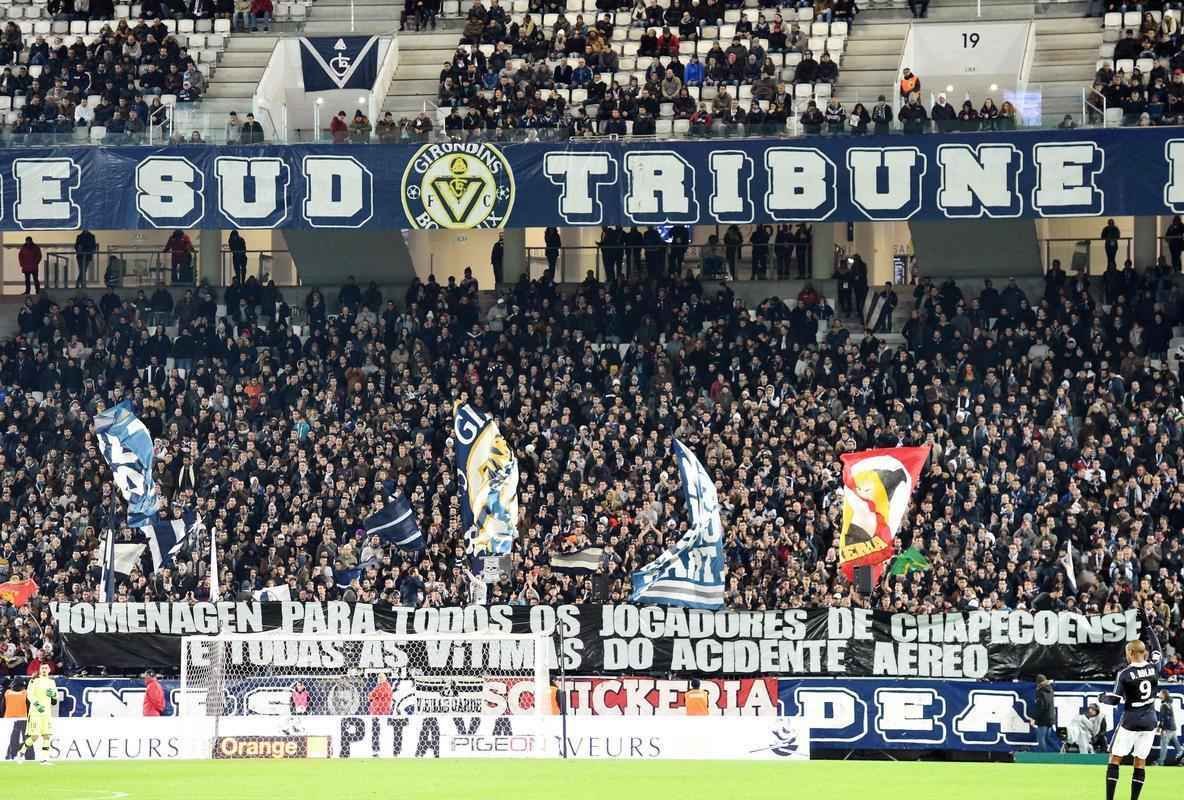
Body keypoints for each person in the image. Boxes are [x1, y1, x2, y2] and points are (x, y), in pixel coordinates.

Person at [1101, 613, 1163, 800]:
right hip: (1150, 721)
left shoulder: (1125, 674)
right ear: (1144, 652)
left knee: (1115, 759)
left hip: (1131, 720)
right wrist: (1148, 627)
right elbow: (1158, 649)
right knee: (1140, 761)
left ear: (1130, 653)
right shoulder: (1154, 667)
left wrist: (1102, 697)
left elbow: (1114, 700)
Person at [17, 663, 56, 764]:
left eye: (46, 668)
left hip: (47, 713)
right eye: (42, 668)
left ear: (49, 670)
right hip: (35, 712)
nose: (44, 670)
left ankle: (44, 759)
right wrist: (38, 706)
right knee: (34, 736)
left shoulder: (52, 682)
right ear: (39, 670)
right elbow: (29, 694)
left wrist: (53, 696)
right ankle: (21, 752)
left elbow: (55, 698)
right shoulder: (34, 680)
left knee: (47, 735)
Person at [1030, 674, 1060, 752]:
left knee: (1040, 738)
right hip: (1050, 717)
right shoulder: (1050, 690)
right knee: (1047, 738)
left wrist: (1034, 718)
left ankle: (1044, 756)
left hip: (1043, 718)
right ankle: (1060, 751)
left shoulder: (1041, 692)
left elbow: (1041, 706)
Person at [1156, 689, 1181, 766]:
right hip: (1173, 728)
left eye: (1160, 693)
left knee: (1164, 746)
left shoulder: (1163, 705)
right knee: (1178, 747)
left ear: (1164, 695)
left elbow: (1163, 718)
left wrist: (1161, 728)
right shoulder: (1169, 704)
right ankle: (1182, 760)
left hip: (1167, 729)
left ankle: (1160, 762)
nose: (1159, 695)